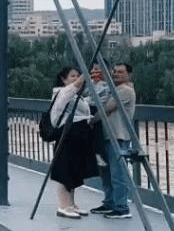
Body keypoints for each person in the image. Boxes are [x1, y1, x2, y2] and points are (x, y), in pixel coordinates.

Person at [47, 66, 99, 218]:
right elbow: (73, 88)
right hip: (67, 136)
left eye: (77, 76)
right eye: (72, 76)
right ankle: (63, 206)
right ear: (63, 79)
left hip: (78, 137)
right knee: (65, 170)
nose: (76, 79)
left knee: (74, 170)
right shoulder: (62, 92)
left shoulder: (77, 96)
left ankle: (71, 204)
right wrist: (84, 76)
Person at [90, 62, 137, 219]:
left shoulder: (125, 90)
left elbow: (106, 108)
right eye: (114, 71)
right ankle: (109, 203)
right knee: (107, 173)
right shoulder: (113, 89)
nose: (116, 74)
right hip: (108, 136)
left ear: (129, 75)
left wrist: (90, 120)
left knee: (118, 174)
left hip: (119, 136)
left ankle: (122, 207)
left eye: (120, 72)